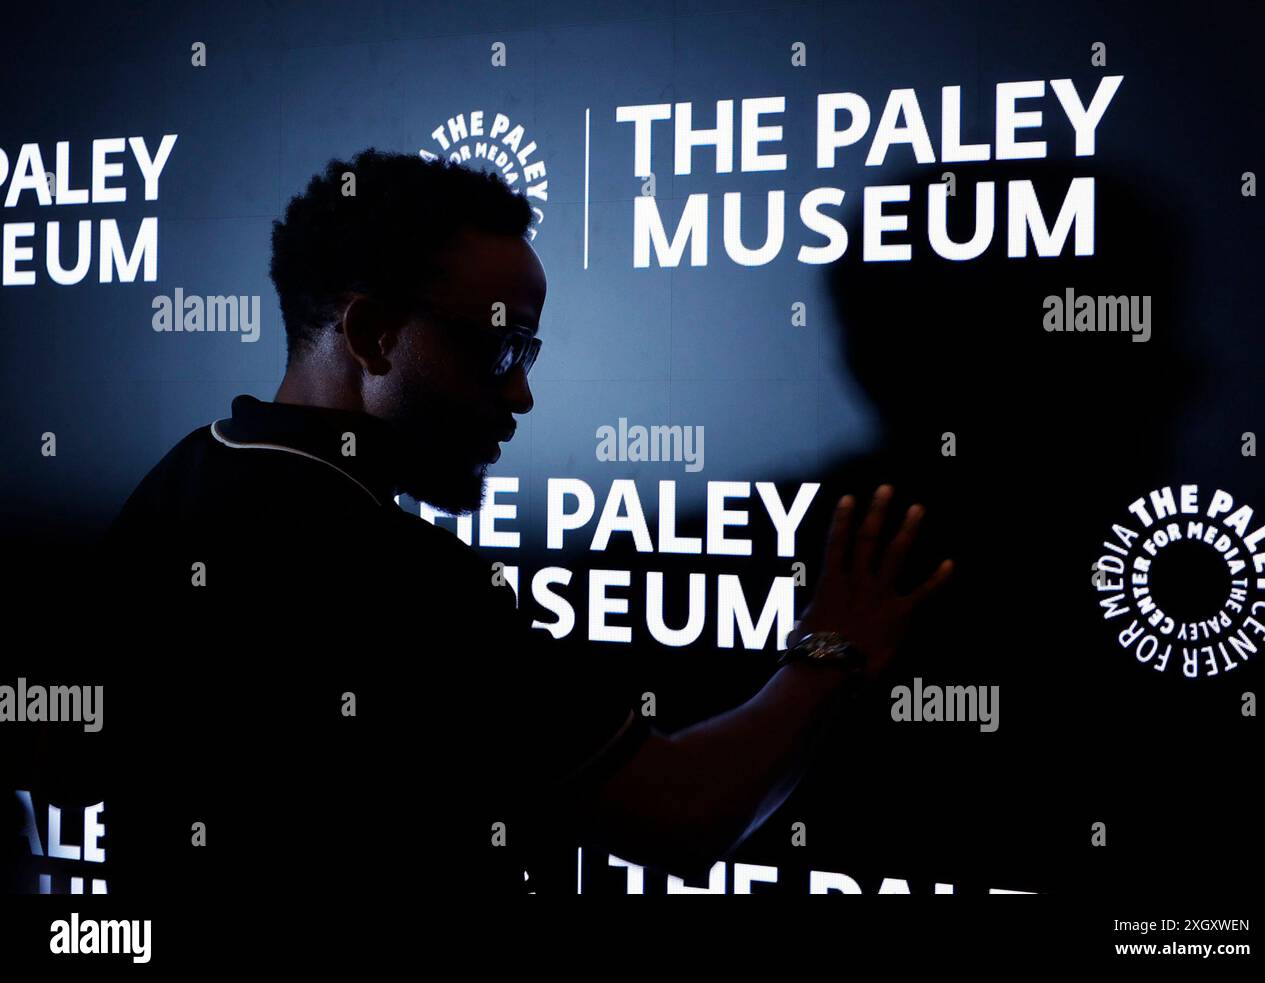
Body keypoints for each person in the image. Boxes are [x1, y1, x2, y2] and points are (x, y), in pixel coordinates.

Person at [102, 149, 952, 896]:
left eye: (530, 356)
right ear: (371, 333)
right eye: (500, 350)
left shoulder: (174, 484)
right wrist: (830, 646)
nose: (520, 395)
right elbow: (682, 812)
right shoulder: (403, 583)